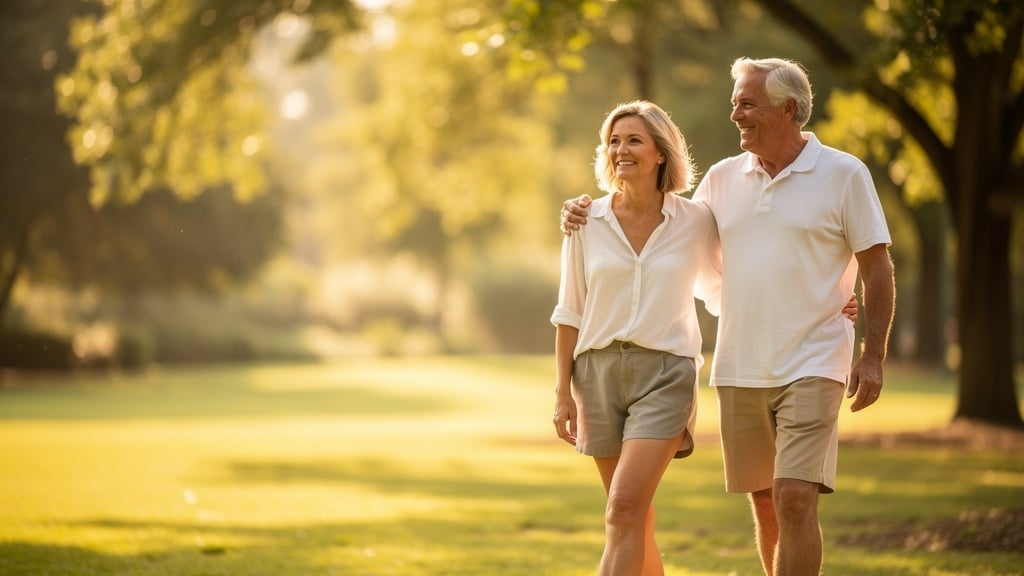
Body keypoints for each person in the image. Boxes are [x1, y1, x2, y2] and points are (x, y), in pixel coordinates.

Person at [560, 57, 895, 576]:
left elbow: (876, 263)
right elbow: (675, 240)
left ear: (787, 109)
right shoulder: (719, 182)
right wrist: (584, 211)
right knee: (763, 501)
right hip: (741, 365)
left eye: (746, 103)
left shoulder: (844, 174)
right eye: (734, 103)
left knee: (793, 498)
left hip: (816, 357)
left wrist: (871, 350)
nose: (735, 114)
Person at [550, 100, 719, 575]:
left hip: (665, 374)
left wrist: (830, 301)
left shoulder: (697, 221)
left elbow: (736, 280)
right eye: (614, 141)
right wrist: (563, 392)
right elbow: (570, 310)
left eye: (634, 140)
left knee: (623, 509)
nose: (621, 149)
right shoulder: (585, 221)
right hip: (597, 376)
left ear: (661, 152)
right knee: (633, 517)